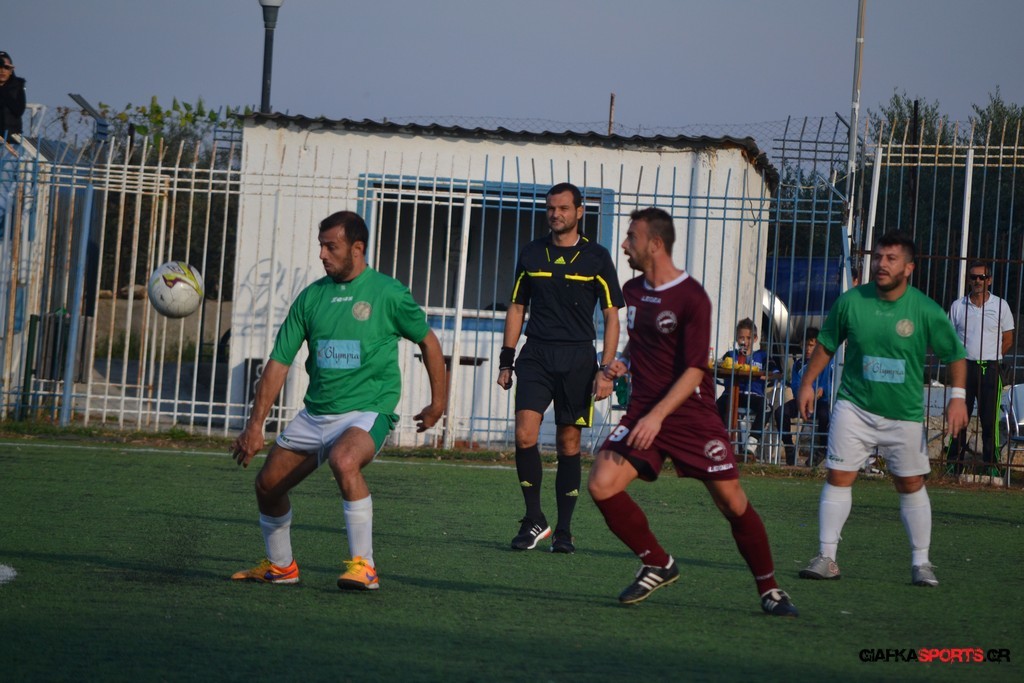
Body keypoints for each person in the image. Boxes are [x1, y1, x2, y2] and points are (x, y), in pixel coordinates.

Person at [590, 207, 798, 616]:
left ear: (655, 244)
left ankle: (770, 590)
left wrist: (658, 417)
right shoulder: (633, 291)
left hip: (690, 415)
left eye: (631, 237)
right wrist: (624, 363)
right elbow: (638, 341)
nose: (624, 245)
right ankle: (657, 562)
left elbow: (694, 369)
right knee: (602, 483)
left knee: (732, 503)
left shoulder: (691, 297)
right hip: (644, 412)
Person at [231, 210, 447, 590]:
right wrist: (255, 425)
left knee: (344, 460)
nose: (322, 254)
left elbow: (428, 341)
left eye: (331, 247)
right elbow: (279, 363)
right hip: (316, 414)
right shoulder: (311, 298)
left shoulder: (388, 293)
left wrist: (438, 404)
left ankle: (364, 566)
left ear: (357, 249)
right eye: (321, 246)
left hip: (367, 411)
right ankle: (281, 567)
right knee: (267, 486)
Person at [797, 231, 967, 588]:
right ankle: (827, 557)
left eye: (891, 258)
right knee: (838, 476)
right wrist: (808, 382)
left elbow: (954, 354)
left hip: (903, 414)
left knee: (911, 483)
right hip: (854, 407)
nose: (881, 264)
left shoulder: (925, 309)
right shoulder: (851, 302)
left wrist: (957, 397)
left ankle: (921, 563)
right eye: (877, 257)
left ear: (909, 268)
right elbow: (826, 344)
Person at [497, 182, 624, 554]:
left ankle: (565, 531)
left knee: (569, 443)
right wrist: (507, 360)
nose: (556, 214)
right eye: (551, 208)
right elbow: (517, 307)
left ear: (579, 212)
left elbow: (612, 317)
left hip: (578, 360)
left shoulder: (597, 257)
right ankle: (534, 519)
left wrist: (605, 369)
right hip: (536, 354)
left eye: (564, 208)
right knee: (525, 434)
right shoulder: (532, 253)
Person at [945, 260, 1015, 477]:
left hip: (990, 368)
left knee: (989, 419)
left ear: (989, 280)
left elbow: (1008, 338)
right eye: (973, 277)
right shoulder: (958, 306)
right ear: (969, 280)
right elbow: (949, 337)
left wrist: (992, 356)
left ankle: (991, 464)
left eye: (982, 277)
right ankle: (954, 463)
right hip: (964, 368)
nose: (977, 281)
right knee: (959, 416)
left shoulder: (1001, 306)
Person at [715, 318, 780, 458]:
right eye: (741, 338)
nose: (744, 341)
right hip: (731, 393)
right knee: (715, 407)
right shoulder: (731, 355)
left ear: (755, 339)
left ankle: (751, 443)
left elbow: (775, 372)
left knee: (767, 407)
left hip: (754, 395)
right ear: (737, 339)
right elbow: (718, 367)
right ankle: (720, 441)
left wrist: (766, 375)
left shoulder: (762, 356)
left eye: (748, 338)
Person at [775, 327, 834, 466]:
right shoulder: (798, 364)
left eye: (812, 345)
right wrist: (803, 395)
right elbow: (795, 385)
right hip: (801, 402)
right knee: (780, 412)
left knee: (826, 416)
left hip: (820, 402)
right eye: (805, 345)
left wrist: (821, 390)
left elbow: (829, 383)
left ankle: (822, 449)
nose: (808, 349)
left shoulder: (826, 363)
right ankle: (789, 447)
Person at [0, 51, 26, 140]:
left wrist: (3, 91)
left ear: (11, 71)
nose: (2, 71)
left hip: (12, 138)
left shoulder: (17, 87)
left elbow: (19, 110)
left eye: (6, 67)